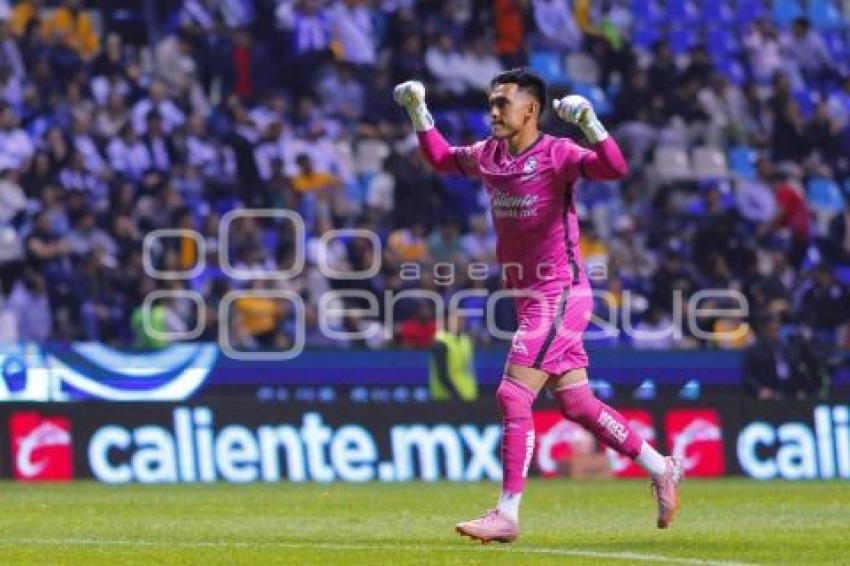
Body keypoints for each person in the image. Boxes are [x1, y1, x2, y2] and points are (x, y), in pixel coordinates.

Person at [393, 69, 682, 543]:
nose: (492, 111)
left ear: (530, 110)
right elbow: (442, 158)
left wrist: (589, 123)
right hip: (528, 297)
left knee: (513, 394)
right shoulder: (488, 154)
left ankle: (507, 513)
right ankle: (661, 466)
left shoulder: (558, 153)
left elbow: (614, 168)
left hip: (560, 291)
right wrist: (417, 111)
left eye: (501, 103)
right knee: (577, 403)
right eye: (491, 102)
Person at [429, 307, 478, 401]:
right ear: (446, 320)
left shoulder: (466, 340)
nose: (460, 322)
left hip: (468, 395)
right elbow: (442, 374)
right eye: (456, 319)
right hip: (446, 398)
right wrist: (456, 395)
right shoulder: (440, 341)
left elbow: (469, 370)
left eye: (462, 319)